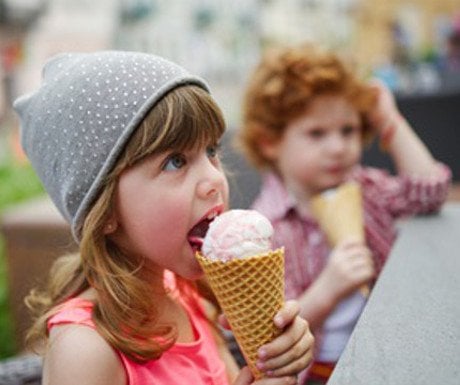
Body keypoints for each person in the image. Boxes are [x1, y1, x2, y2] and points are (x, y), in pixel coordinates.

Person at [13, 51, 315, 385]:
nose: (215, 178)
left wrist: (277, 360)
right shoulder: (85, 350)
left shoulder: (188, 295)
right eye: (175, 161)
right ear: (106, 209)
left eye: (211, 151)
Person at [237, 43, 452, 384]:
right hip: (320, 373)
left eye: (348, 130)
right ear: (269, 142)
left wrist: (389, 120)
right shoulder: (262, 229)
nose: (337, 146)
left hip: (391, 356)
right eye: (317, 133)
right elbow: (267, 341)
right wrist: (329, 289)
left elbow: (431, 191)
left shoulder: (365, 188)